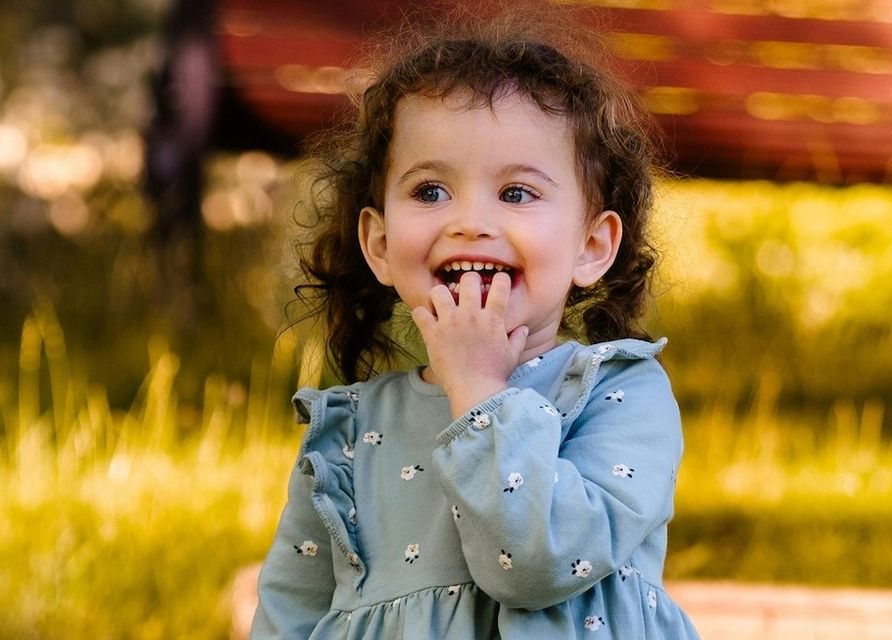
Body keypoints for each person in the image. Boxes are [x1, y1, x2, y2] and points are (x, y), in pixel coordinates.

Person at [251, 4, 701, 639]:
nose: (470, 222)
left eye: (516, 193)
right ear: (379, 245)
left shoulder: (621, 395)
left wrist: (481, 394)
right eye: (430, 191)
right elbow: (287, 614)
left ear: (591, 246)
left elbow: (535, 566)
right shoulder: (350, 432)